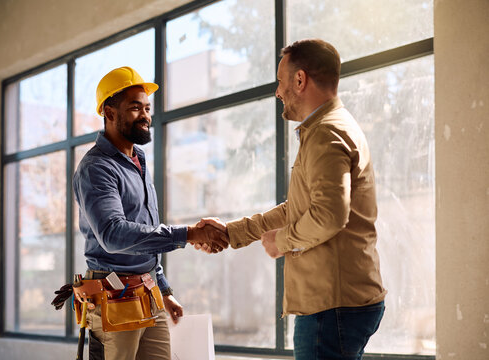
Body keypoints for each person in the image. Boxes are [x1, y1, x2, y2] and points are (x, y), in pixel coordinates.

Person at [198, 39, 387, 359]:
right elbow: (298, 209)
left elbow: (328, 215)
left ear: (300, 80)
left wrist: (281, 242)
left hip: (331, 307)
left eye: (280, 80)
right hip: (339, 303)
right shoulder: (329, 128)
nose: (277, 91)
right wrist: (232, 232)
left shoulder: (327, 132)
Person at [72, 66, 228, 360]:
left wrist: (164, 290)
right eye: (134, 108)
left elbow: (145, 233)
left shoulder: (138, 161)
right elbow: (114, 235)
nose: (145, 116)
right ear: (109, 112)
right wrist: (190, 234)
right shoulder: (97, 168)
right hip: (113, 300)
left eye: (147, 108)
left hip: (148, 296)